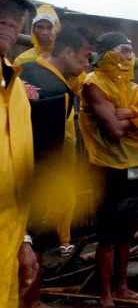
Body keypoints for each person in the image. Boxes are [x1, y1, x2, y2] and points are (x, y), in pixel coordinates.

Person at [79, 33, 138, 308]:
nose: (129, 57)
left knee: (128, 230)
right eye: (123, 51)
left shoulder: (132, 87)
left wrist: (127, 114)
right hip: (108, 167)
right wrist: (133, 119)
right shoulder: (94, 84)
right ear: (107, 54)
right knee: (107, 233)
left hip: (136, 166)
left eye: (131, 51)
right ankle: (105, 293)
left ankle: (122, 285)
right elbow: (113, 132)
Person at [17, 24, 93, 255]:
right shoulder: (59, 92)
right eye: (84, 57)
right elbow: (47, 153)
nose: (87, 64)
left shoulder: (21, 68)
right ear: (68, 52)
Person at [0, 0, 38, 308]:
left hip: (8, 246)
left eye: (15, 9)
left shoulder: (15, 88)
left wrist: (24, 240)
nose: (8, 18)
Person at [14, 5, 60, 69]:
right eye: (40, 27)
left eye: (49, 27)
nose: (45, 32)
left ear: (56, 29)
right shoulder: (22, 60)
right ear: (33, 30)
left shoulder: (64, 59)